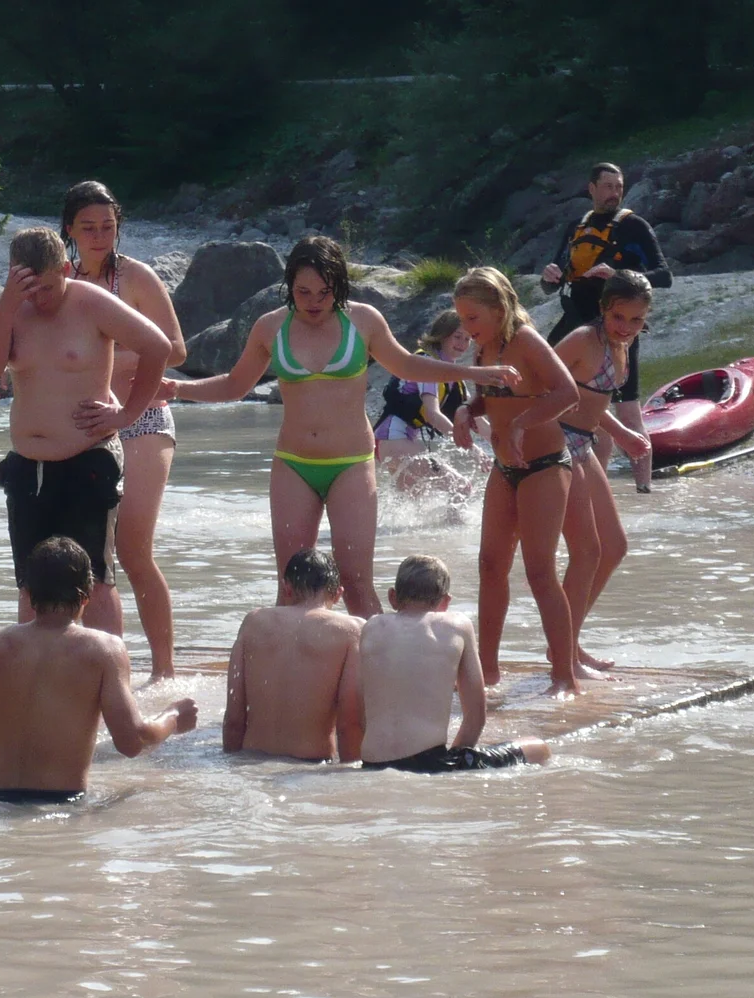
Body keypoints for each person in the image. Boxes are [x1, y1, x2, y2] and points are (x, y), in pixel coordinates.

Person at [164, 236, 517, 616]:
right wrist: (176, 387)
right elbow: (235, 384)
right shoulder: (270, 327)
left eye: (324, 292)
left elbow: (408, 365)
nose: (313, 301)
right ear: (289, 286)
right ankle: (295, 673)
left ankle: (376, 669)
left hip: (351, 463)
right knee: (292, 586)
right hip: (293, 463)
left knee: (355, 584)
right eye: (303, 292)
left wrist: (471, 371)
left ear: (339, 287)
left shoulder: (362, 320)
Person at [0, 226, 173, 631]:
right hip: (28, 466)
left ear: (66, 268)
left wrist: (126, 416)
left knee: (94, 580)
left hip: (88, 458)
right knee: (32, 583)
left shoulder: (91, 302)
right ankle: (36, 682)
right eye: (29, 288)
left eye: (47, 287)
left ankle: (107, 678)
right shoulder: (13, 306)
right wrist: (9, 303)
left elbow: (159, 347)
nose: (39, 298)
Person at [0, 536, 197, 803]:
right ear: (87, 596)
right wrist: (173, 717)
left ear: (28, 594)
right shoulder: (104, 650)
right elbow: (132, 741)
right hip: (64, 807)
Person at [61, 180, 189, 680]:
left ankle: (163, 671)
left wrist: (117, 353)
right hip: (85, 421)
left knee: (134, 549)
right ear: (68, 229)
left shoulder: (135, 277)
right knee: (83, 552)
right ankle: (89, 666)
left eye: (108, 227)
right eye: (88, 228)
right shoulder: (62, 279)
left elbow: (176, 349)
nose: (99, 236)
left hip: (143, 414)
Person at [447, 267, 584, 695]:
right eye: (461, 319)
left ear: (500, 308)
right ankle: (487, 671)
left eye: (472, 318)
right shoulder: (485, 348)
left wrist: (524, 423)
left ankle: (564, 676)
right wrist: (468, 411)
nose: (466, 329)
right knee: (490, 566)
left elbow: (568, 393)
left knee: (540, 571)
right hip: (505, 467)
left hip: (544, 464)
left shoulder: (525, 341)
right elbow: (487, 397)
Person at [551, 270, 655, 673]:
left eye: (636, 320)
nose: (626, 328)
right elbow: (539, 384)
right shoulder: (582, 340)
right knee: (588, 551)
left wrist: (624, 433)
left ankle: (569, 644)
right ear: (602, 309)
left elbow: (592, 404)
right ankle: (564, 654)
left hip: (583, 443)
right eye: (619, 318)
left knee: (614, 547)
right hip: (557, 442)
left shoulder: (624, 344)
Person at [359, 555, 550, 772]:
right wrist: (458, 758)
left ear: (392, 597)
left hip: (372, 762)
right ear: (445, 602)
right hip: (430, 763)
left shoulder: (372, 627)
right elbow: (476, 716)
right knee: (539, 747)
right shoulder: (456, 625)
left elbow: (359, 712)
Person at [539, 162, 673, 459]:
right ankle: (567, 466)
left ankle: (643, 488)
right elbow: (555, 280)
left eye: (619, 187)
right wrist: (549, 278)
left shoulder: (634, 226)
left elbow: (664, 275)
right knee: (544, 384)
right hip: (577, 321)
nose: (614, 193)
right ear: (592, 189)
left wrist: (617, 275)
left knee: (628, 410)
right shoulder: (576, 227)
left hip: (619, 325)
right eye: (608, 186)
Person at [223, 547, 365, 762]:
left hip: (251, 761)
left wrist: (230, 763)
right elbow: (349, 722)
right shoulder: (351, 630)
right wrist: (351, 772)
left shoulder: (253, 622)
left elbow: (234, 717)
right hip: (310, 767)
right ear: (338, 594)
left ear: (286, 588)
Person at [372, 309, 476, 490]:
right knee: (461, 487)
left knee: (415, 505)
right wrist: (472, 449)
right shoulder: (427, 364)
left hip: (390, 442)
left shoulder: (453, 375)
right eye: (457, 337)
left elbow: (476, 419)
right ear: (442, 335)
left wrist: (502, 446)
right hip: (393, 439)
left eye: (467, 339)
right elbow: (432, 413)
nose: (462, 344)